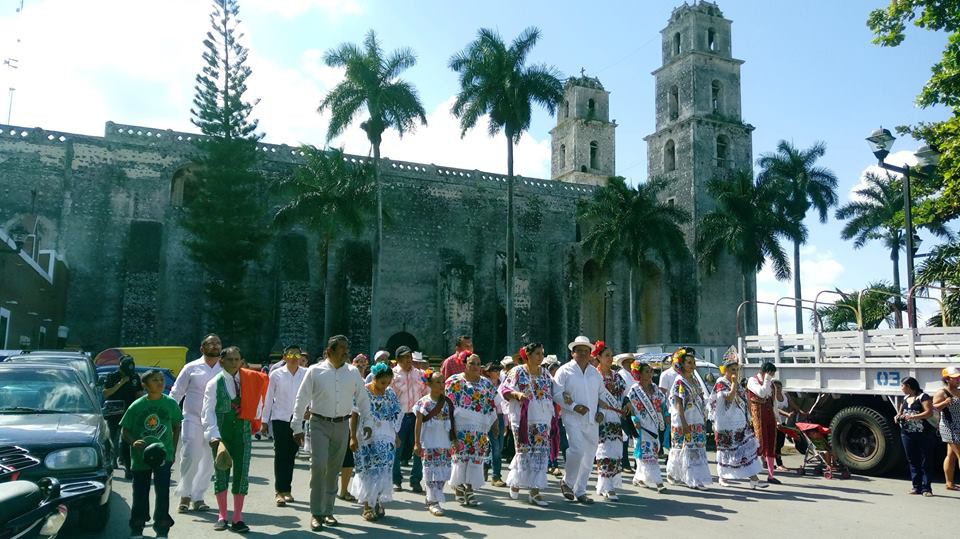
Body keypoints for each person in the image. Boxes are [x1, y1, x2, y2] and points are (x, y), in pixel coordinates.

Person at [292, 335, 372, 532]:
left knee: (333, 469)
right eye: (341, 349)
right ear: (329, 352)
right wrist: (296, 426)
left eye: (347, 348)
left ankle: (328, 511)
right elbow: (301, 399)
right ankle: (316, 513)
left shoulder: (353, 373)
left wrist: (368, 421)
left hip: (341, 425)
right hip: (319, 423)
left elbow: (362, 399)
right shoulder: (315, 371)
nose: (346, 352)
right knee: (319, 467)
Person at [201, 346, 269, 533]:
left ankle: (238, 517)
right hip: (222, 434)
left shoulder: (249, 379)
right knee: (221, 472)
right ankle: (222, 515)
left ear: (241, 360)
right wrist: (214, 436)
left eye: (236, 359)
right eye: (230, 359)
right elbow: (207, 412)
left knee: (241, 473)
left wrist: (255, 418)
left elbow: (259, 402)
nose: (233, 363)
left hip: (243, 432)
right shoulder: (214, 383)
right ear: (221, 361)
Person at [120, 369, 183, 539]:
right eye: (155, 380)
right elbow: (125, 430)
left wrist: (173, 449)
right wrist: (133, 441)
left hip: (163, 455)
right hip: (140, 457)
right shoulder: (137, 405)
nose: (160, 383)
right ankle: (137, 527)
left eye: (161, 379)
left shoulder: (170, 404)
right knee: (140, 492)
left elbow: (177, 425)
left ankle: (162, 528)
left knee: (163, 492)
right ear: (145, 385)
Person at [169, 333, 223, 513]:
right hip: (191, 418)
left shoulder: (225, 369)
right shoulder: (191, 367)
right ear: (202, 348)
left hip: (215, 421)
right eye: (211, 343)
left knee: (208, 459)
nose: (215, 346)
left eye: (218, 343)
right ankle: (185, 494)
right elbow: (176, 392)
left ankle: (198, 497)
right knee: (190, 454)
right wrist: (169, 414)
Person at [553, 336, 604, 504]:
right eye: (579, 351)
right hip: (572, 417)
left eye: (586, 351)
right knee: (577, 450)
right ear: (572, 353)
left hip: (592, 420)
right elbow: (557, 394)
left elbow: (602, 395)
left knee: (589, 455)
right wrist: (575, 406)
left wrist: (601, 411)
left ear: (590, 354)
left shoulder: (595, 373)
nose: (583, 354)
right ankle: (567, 482)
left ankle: (580, 490)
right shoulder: (564, 371)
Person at [501, 343, 554, 506]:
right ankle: (516, 482)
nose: (541, 357)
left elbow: (553, 392)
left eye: (542, 353)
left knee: (540, 452)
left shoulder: (545, 373)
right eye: (537, 353)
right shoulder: (517, 371)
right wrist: (517, 394)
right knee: (523, 451)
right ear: (528, 355)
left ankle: (535, 491)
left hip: (542, 419)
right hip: (523, 418)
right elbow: (504, 389)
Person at [349, 362, 402, 522]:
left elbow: (394, 416)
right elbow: (355, 415)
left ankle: (377, 501)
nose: (385, 386)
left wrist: (396, 436)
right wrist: (352, 437)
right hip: (366, 436)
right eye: (382, 382)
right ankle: (367, 506)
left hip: (386, 436)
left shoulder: (390, 393)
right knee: (368, 470)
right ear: (374, 378)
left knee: (383, 470)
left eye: (388, 382)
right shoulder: (362, 392)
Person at [445, 353, 499, 506]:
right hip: (460, 427)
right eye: (472, 363)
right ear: (465, 364)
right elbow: (448, 407)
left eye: (478, 363)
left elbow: (491, 405)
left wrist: (495, 424)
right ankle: (459, 487)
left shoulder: (486, 383)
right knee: (460, 457)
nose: (476, 367)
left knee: (476, 457)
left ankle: (470, 488)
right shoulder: (454, 381)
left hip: (479, 428)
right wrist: (451, 429)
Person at [260, 344, 307, 507]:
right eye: (291, 355)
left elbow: (312, 394)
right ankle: (279, 491)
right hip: (280, 418)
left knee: (292, 454)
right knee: (281, 454)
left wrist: (310, 410)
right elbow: (268, 398)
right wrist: (264, 421)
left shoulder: (306, 374)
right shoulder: (276, 374)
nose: (294, 358)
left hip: (298, 419)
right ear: (285, 357)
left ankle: (287, 489)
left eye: (297, 355)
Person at [710, 356, 765, 489]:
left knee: (746, 450)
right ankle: (722, 477)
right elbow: (728, 399)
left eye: (737, 369)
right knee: (726, 450)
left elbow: (744, 401)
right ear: (725, 370)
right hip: (726, 423)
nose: (735, 372)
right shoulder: (721, 383)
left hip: (740, 421)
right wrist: (734, 384)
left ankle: (754, 479)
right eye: (732, 369)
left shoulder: (738, 383)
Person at [666, 349, 712, 490]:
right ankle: (676, 474)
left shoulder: (695, 380)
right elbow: (678, 402)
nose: (692, 365)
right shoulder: (680, 381)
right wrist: (683, 421)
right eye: (689, 363)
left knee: (696, 448)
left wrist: (704, 417)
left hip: (696, 419)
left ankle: (694, 477)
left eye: (693, 363)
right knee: (680, 448)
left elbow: (700, 399)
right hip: (684, 419)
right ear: (682, 364)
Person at [414, 370, 456, 516]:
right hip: (429, 443)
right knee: (430, 471)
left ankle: (433, 497)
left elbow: (452, 421)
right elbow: (418, 424)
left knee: (442, 472)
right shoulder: (423, 402)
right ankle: (433, 501)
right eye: (438, 382)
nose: (441, 385)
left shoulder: (448, 402)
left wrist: (454, 440)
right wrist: (417, 443)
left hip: (444, 443)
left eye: (443, 381)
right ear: (429, 384)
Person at [391, 345, 428, 493]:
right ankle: (396, 480)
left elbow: (426, 392)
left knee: (418, 448)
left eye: (410, 357)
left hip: (417, 416)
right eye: (405, 357)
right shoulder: (393, 375)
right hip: (399, 416)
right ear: (398, 359)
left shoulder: (420, 374)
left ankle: (415, 480)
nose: (409, 360)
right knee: (396, 449)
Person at [594, 341, 628, 501]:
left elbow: (625, 395)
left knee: (615, 451)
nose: (610, 358)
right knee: (604, 451)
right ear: (598, 357)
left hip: (616, 418)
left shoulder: (617, 376)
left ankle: (607, 484)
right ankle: (606, 486)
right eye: (607, 355)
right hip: (601, 417)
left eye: (611, 355)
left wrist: (627, 404)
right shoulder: (594, 375)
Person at [626, 362, 667, 492]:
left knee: (652, 452)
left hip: (654, 425)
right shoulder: (634, 390)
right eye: (646, 371)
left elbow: (663, 403)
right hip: (641, 425)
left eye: (651, 371)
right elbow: (631, 408)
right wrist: (633, 420)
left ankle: (638, 478)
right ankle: (658, 481)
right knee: (646, 453)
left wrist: (665, 416)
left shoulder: (655, 388)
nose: (650, 374)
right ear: (639, 374)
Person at [104, 354, 143, 479]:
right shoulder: (112, 376)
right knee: (112, 438)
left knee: (126, 440)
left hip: (129, 412)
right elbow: (106, 393)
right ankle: (110, 463)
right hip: (114, 412)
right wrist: (121, 383)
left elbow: (139, 393)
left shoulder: (135, 376)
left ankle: (128, 468)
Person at [896, 376, 934, 496]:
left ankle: (926, 488)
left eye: (902, 385)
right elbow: (900, 412)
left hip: (923, 433)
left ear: (909, 386)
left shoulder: (923, 397)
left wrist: (913, 417)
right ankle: (916, 486)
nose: (901, 388)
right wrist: (897, 417)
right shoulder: (906, 398)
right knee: (912, 460)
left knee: (925, 460)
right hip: (907, 433)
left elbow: (929, 412)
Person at [747, 362, 780, 484]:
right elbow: (761, 392)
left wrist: (777, 418)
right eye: (770, 373)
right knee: (760, 443)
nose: (771, 376)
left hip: (769, 415)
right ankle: (752, 473)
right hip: (758, 415)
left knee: (771, 443)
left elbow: (774, 402)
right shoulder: (752, 380)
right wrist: (766, 379)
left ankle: (771, 475)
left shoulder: (771, 384)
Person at [933, 366, 960, 491]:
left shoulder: (958, 391)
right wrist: (944, 402)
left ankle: (949, 483)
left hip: (958, 425)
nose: (958, 379)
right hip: (949, 426)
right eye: (955, 378)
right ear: (947, 379)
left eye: (958, 377)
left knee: (951, 455)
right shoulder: (942, 392)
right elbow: (934, 407)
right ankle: (949, 483)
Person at [773, 380, 807, 470]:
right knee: (777, 444)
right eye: (775, 388)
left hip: (782, 423)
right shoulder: (771, 396)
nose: (777, 389)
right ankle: (779, 464)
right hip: (774, 422)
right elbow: (775, 409)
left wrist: (801, 411)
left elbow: (793, 404)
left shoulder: (785, 395)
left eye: (779, 387)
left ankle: (765, 461)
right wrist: (787, 414)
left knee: (780, 443)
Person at [484, 362, 507, 487]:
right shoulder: (485, 384)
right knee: (496, 446)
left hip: (501, 416)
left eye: (499, 370)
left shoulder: (502, 383)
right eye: (494, 370)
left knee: (499, 446)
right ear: (488, 372)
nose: (497, 372)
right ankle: (496, 476)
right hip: (489, 416)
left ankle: (486, 463)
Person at [615, 353, 636, 475]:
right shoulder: (621, 374)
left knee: (630, 436)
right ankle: (624, 462)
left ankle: (632, 462)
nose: (630, 364)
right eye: (628, 362)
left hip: (632, 407)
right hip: (624, 407)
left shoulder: (631, 375)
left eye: (631, 361)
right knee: (625, 435)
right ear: (623, 363)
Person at [543, 356, 564, 477]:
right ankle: (548, 464)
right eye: (553, 369)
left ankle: (554, 463)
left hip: (555, 413)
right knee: (546, 438)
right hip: (545, 412)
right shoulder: (545, 379)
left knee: (555, 438)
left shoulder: (556, 381)